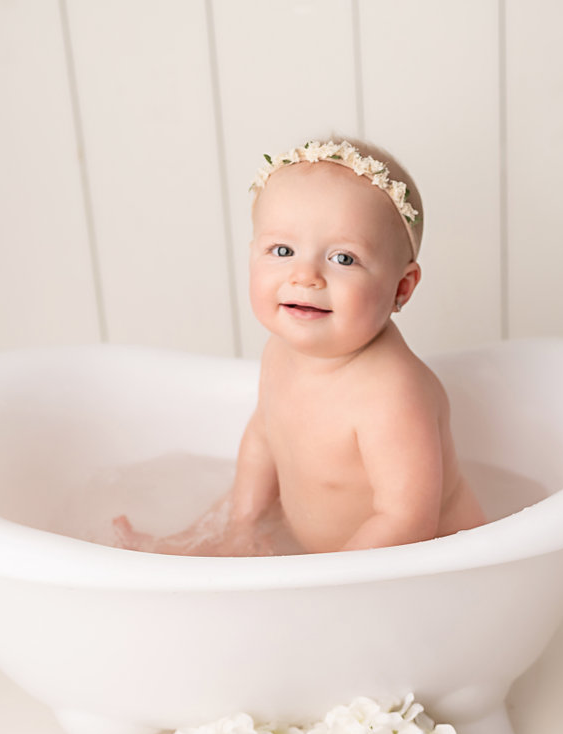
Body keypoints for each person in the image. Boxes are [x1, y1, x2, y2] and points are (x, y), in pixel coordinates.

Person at [114, 139, 485, 555]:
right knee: (223, 538)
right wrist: (241, 524)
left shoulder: (392, 393)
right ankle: (183, 550)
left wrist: (325, 581)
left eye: (343, 258)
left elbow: (407, 521)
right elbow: (264, 438)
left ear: (401, 287)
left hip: (427, 565)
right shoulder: (279, 353)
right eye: (283, 251)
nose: (305, 275)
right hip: (325, 557)